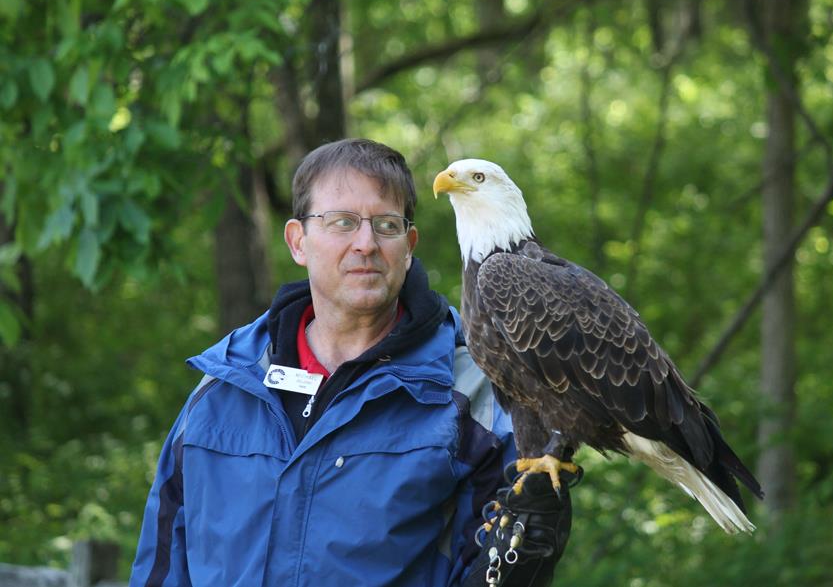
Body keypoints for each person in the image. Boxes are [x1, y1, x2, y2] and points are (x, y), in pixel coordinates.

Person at [130, 138, 578, 587]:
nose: (365, 243)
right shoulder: (225, 386)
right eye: (341, 222)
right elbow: (163, 564)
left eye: (385, 225)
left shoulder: (476, 391)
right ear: (297, 241)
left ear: (408, 246)